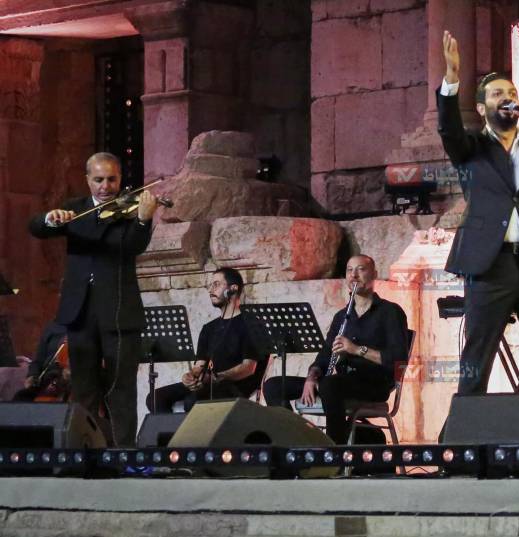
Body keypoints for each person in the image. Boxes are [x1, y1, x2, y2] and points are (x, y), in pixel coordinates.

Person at [438, 30, 519, 395]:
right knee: (478, 353)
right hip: (489, 263)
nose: (507, 98)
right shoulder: (472, 147)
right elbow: (448, 129)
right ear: (482, 108)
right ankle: (465, 427)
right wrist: (452, 80)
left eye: (511, 92)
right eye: (498, 94)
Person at [28, 152, 160, 446]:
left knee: (120, 389)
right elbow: (35, 228)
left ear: (120, 179)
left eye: (111, 179)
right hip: (80, 310)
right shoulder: (74, 209)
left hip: (118, 311)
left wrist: (143, 220)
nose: (105, 186)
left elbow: (134, 247)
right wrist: (50, 219)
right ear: (88, 179)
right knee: (84, 388)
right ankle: (87, 452)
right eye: (98, 179)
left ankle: (123, 453)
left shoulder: (130, 210)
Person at [263, 255, 409, 444]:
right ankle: (293, 443)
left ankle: (335, 451)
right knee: (274, 385)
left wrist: (356, 349)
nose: (354, 275)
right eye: (349, 270)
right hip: (339, 383)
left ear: (374, 274)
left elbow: (398, 359)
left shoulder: (390, 312)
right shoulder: (341, 316)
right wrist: (311, 377)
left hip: (374, 384)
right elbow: (325, 356)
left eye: (361, 269)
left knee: (330, 385)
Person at [146, 268, 271, 413]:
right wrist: (191, 376)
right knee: (155, 398)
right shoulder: (209, 328)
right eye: (210, 285)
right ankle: (174, 429)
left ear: (233, 289)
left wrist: (215, 377)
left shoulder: (252, 324)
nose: (211, 290)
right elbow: (200, 365)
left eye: (216, 284)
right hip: (210, 383)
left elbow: (248, 368)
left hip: (235, 387)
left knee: (193, 401)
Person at [13, 322, 68, 401]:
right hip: (47, 380)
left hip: (70, 382)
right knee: (20, 397)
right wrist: (32, 375)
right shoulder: (52, 328)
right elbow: (37, 361)